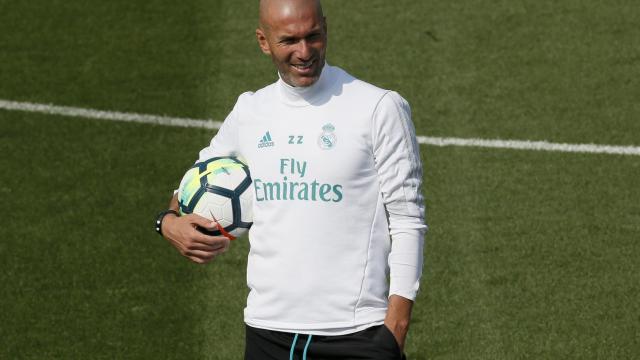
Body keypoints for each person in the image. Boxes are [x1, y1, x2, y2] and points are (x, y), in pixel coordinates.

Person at [155, 0, 427, 358]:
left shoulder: (378, 107)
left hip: (357, 334)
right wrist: (168, 221)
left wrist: (396, 329)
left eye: (313, 36)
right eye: (289, 40)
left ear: (325, 28)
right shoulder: (251, 111)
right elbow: (196, 179)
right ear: (263, 41)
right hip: (267, 332)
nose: (304, 52)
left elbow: (408, 221)